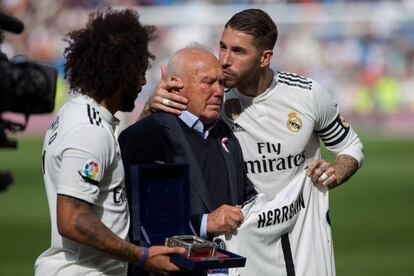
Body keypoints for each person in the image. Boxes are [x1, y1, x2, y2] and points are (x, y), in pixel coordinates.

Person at [147, 9, 364, 276]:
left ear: (265, 58)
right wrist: (151, 105)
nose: (224, 60)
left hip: (301, 234)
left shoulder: (306, 96)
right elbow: (153, 142)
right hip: (239, 236)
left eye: (238, 51)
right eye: (222, 47)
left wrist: (335, 172)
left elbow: (350, 146)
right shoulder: (211, 99)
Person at [34, 8, 184, 276]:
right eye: (139, 71)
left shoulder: (80, 113)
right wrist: (142, 256)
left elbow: (108, 163)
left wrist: (148, 110)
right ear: (120, 72)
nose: (142, 81)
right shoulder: (88, 130)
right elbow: (71, 219)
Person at [118, 47, 257, 275]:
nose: (219, 91)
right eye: (208, 82)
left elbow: (245, 193)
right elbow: (138, 223)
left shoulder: (225, 133)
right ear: (175, 84)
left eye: (221, 83)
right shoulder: (145, 136)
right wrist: (203, 224)